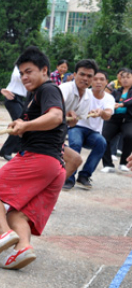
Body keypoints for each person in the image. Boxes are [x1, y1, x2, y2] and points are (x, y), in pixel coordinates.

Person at [0, 46, 66, 270]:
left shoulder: (48, 89)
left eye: (29, 71)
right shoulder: (36, 94)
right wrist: (23, 126)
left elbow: (55, 116)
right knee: (19, 214)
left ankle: (4, 234)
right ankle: (22, 249)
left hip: (38, 158)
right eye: (22, 73)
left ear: (44, 70)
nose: (25, 77)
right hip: (55, 167)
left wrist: (25, 124)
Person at [66, 70, 114, 189]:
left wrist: (101, 112)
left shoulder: (109, 98)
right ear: (91, 81)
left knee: (102, 142)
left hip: (93, 132)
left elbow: (108, 114)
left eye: (102, 79)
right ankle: (68, 178)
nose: (98, 82)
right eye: (95, 79)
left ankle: (84, 176)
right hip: (77, 127)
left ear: (106, 82)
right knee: (75, 143)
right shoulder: (84, 93)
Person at [58, 59, 98, 190]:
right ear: (74, 75)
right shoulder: (65, 89)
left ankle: (46, 195)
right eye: (82, 74)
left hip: (56, 135)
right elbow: (52, 112)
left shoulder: (88, 96)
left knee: (75, 160)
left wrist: (71, 120)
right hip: (40, 132)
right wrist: (64, 113)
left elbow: (73, 123)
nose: (85, 78)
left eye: (89, 76)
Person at [101, 68, 132, 172]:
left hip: (128, 119)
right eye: (123, 77)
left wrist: (122, 104)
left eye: (128, 77)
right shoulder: (115, 91)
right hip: (114, 119)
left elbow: (130, 101)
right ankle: (108, 165)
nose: (125, 80)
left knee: (129, 136)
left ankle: (124, 163)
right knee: (103, 138)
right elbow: (108, 100)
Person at [0, 66, 28, 161]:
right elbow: (17, 76)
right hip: (12, 97)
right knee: (18, 123)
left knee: (25, 122)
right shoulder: (19, 66)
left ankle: (17, 148)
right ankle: (6, 151)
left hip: (22, 99)